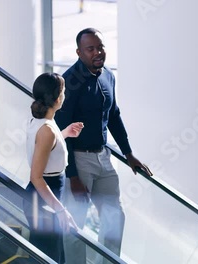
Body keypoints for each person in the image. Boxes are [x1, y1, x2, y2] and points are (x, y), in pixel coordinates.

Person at [54, 28, 153, 263]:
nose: (97, 52)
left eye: (100, 47)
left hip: (104, 157)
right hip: (78, 160)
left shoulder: (108, 76)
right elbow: (61, 132)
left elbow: (114, 116)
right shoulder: (69, 83)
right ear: (79, 52)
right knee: (74, 225)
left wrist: (128, 154)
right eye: (91, 49)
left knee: (114, 219)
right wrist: (73, 175)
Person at [23, 72, 84, 262]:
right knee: (51, 257)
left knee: (49, 255)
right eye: (64, 92)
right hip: (44, 199)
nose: (65, 96)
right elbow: (36, 176)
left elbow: (44, 147)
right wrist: (60, 209)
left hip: (42, 197)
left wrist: (64, 133)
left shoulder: (42, 121)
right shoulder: (47, 130)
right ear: (58, 99)